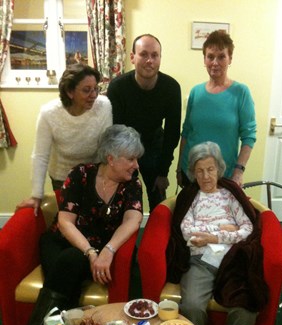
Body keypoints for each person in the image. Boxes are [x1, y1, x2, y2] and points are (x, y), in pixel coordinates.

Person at [0, 124, 144, 325]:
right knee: (71, 263)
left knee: (69, 269)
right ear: (111, 158)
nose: (136, 164)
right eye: (131, 158)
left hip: (96, 249)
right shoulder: (81, 175)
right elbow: (66, 223)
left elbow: (133, 221)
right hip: (62, 241)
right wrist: (90, 252)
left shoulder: (131, 182)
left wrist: (108, 250)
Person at [167, 142, 268, 325]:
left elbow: (247, 228)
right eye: (199, 171)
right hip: (200, 261)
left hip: (232, 261)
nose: (205, 176)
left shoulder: (230, 194)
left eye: (210, 169)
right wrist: (224, 226)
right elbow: (186, 231)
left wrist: (214, 235)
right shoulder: (191, 197)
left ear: (219, 169)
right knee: (191, 305)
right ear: (193, 173)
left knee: (246, 308)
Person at [17, 63, 113, 216]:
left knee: (90, 219)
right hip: (62, 177)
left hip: (93, 174)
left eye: (96, 88)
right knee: (67, 220)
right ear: (70, 92)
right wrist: (37, 195)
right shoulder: (49, 113)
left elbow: (106, 147)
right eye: (86, 90)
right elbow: (40, 156)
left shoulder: (104, 106)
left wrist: (106, 181)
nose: (94, 95)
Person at [107, 33, 182, 211]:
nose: (149, 60)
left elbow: (172, 133)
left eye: (154, 55)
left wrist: (163, 172)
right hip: (124, 148)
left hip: (155, 147)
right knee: (125, 203)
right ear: (133, 57)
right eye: (144, 54)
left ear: (160, 58)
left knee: (159, 203)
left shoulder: (171, 88)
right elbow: (115, 133)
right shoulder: (117, 87)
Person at [177, 30, 256, 188]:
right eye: (210, 56)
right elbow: (186, 133)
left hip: (223, 176)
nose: (215, 62)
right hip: (192, 173)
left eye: (221, 56)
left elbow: (249, 137)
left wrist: (238, 171)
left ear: (230, 58)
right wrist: (180, 167)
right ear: (204, 59)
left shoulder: (241, 92)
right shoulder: (195, 92)